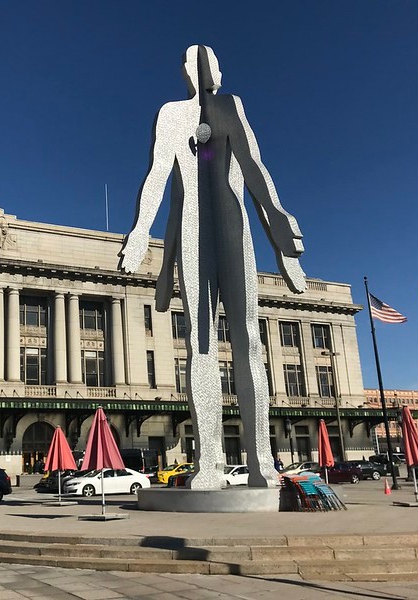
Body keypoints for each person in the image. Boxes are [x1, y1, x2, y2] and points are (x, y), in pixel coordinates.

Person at [120, 45, 305, 489]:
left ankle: (261, 460)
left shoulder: (229, 107)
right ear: (188, 72)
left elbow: (255, 170)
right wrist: (141, 231)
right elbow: (158, 174)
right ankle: (209, 461)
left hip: (234, 230)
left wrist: (281, 235)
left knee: (247, 338)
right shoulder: (171, 115)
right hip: (192, 235)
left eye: (208, 63)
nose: (205, 71)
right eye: (197, 65)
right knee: (200, 345)